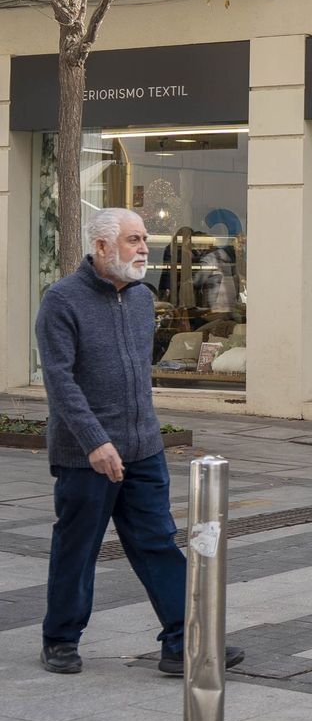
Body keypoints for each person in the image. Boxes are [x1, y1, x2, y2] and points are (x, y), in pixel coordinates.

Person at [36, 207, 244, 675]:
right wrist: (94, 441)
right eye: (133, 239)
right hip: (85, 455)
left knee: (158, 543)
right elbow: (60, 381)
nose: (145, 248)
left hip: (143, 449)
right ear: (102, 246)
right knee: (78, 546)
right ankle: (60, 639)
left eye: (145, 238)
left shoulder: (143, 299)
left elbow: (136, 375)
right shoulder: (62, 301)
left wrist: (147, 432)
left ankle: (182, 642)